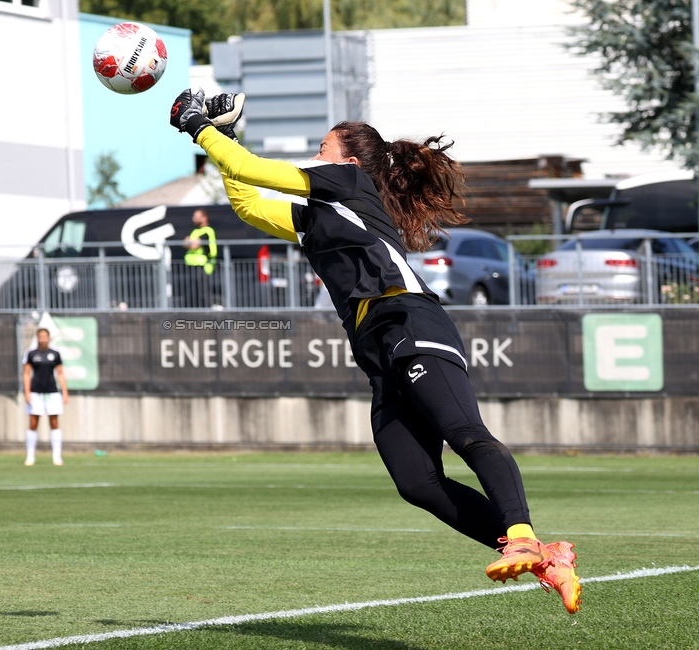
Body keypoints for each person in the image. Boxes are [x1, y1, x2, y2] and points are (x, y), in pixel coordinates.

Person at [170, 88, 581, 613]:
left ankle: (520, 535)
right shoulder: (320, 213)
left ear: (349, 160)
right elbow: (249, 201)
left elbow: (252, 168)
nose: (316, 155)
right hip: (376, 352)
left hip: (410, 320)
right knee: (417, 483)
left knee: (466, 434)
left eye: (322, 147)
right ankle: (549, 560)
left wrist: (200, 126)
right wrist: (220, 136)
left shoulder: (351, 181)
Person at [22, 327, 69, 466]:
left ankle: (57, 456)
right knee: (33, 422)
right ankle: (30, 456)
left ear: (48, 338)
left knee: (54, 422)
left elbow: (60, 373)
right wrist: (27, 391)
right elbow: (26, 373)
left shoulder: (55, 353)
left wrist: (65, 391)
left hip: (52, 392)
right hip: (35, 392)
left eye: (45, 337)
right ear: (38, 338)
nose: (43, 339)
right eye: (41, 336)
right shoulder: (31, 353)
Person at [182, 208, 218, 308]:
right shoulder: (195, 231)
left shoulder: (207, 231)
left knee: (203, 292)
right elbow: (185, 243)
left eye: (196, 217)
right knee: (192, 293)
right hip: (192, 265)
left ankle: (206, 315)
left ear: (204, 218)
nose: (193, 219)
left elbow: (194, 245)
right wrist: (191, 242)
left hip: (202, 265)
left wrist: (190, 242)